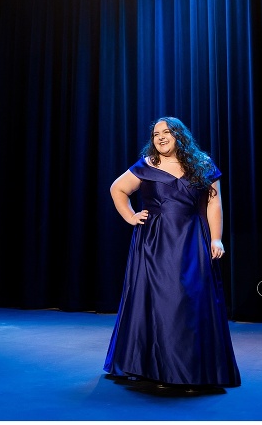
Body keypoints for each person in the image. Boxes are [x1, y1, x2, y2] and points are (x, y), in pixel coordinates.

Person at [104, 116, 241, 392]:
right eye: (156, 134)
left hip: (191, 239)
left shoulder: (201, 164)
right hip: (154, 242)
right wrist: (131, 217)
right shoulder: (146, 166)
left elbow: (214, 205)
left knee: (190, 302)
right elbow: (117, 189)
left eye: (167, 132)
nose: (161, 137)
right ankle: (155, 369)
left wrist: (216, 239)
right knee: (159, 302)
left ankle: (194, 370)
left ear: (180, 135)